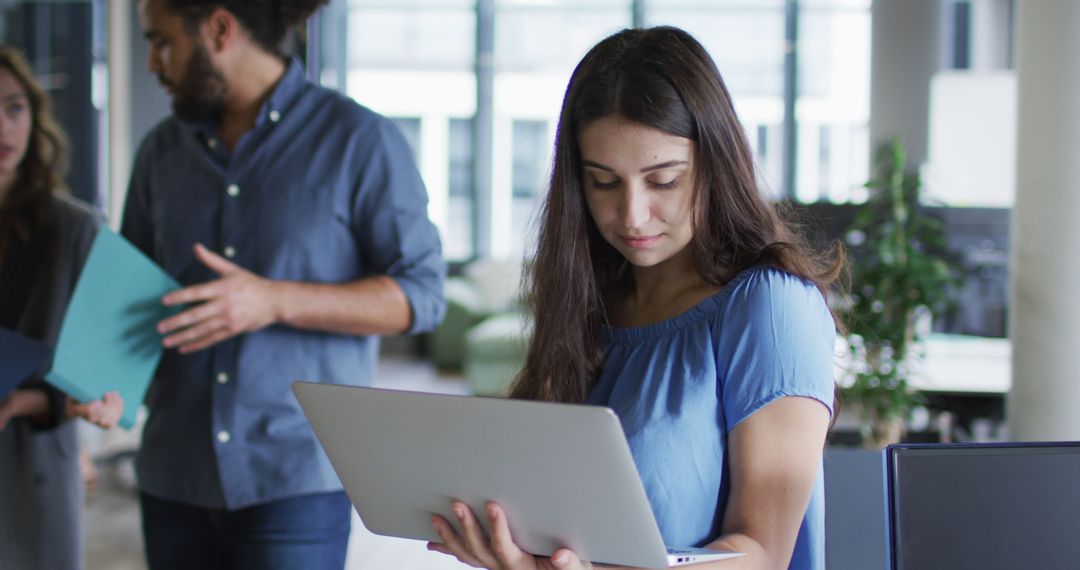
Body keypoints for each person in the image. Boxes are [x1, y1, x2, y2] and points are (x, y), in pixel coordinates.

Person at [428, 26, 843, 570]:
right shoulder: (591, 300)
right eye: (603, 183)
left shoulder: (770, 308)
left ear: (716, 166)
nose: (632, 216)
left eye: (664, 181)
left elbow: (761, 555)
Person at [124, 1, 446, 568]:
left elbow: (423, 296)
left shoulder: (360, 141)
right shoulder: (159, 153)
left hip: (297, 482)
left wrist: (272, 300)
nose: (152, 62)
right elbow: (128, 302)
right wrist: (104, 387)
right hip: (173, 477)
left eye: (161, 41)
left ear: (219, 30)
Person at [0, 46, 124, 570]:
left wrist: (18, 404)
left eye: (14, 107)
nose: (4, 127)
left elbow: (105, 368)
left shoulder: (75, 230)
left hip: (35, 460)